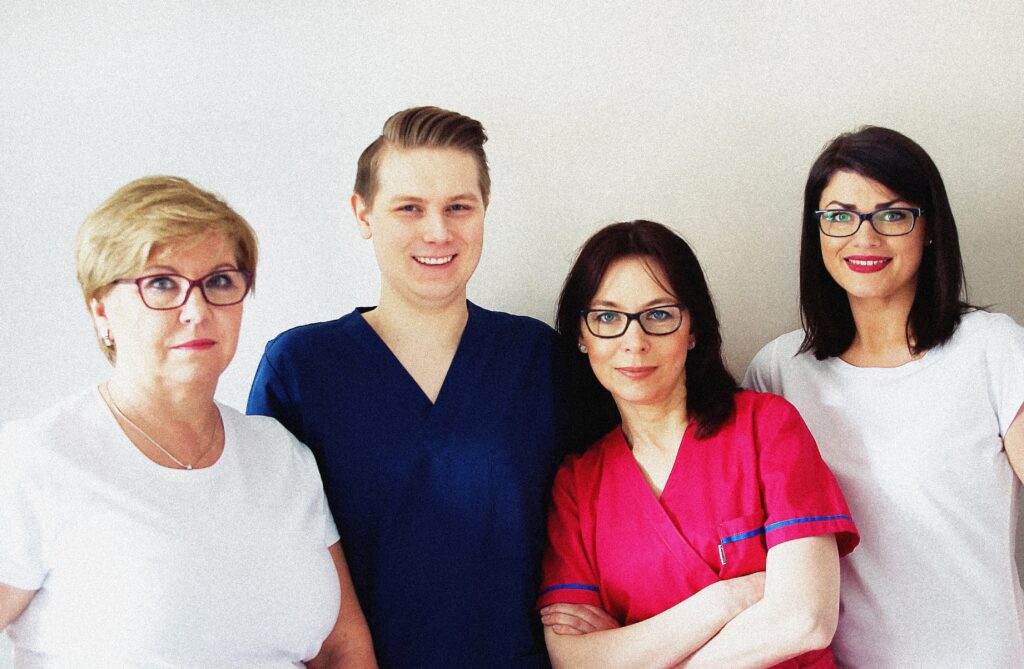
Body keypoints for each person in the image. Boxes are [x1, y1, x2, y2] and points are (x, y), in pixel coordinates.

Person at [248, 107, 584, 668]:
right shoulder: (302, 369)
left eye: (459, 207)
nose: (438, 232)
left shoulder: (536, 359)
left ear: (484, 210)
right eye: (409, 208)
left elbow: (604, 519)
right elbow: (267, 560)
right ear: (363, 214)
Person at [0, 176, 376, 668]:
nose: (196, 310)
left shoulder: (280, 455)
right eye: (161, 284)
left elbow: (339, 647)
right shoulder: (37, 460)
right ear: (101, 309)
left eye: (219, 281)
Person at [744, 126, 1024, 666]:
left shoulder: (993, 350)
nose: (864, 238)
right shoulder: (778, 372)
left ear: (930, 228)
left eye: (892, 215)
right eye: (839, 216)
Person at [538, 220, 859, 668]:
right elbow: (576, 660)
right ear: (581, 336)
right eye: (607, 317)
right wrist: (729, 597)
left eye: (659, 315)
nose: (634, 342)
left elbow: (805, 620)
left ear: (693, 329)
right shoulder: (578, 485)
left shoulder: (766, 427)